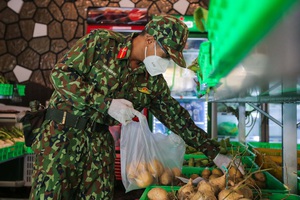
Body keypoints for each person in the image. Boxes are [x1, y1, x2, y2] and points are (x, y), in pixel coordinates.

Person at [30, 15, 220, 199]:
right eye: (166, 54)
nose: (166, 62)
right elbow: (61, 74)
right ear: (150, 39)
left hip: (99, 141)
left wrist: (215, 152)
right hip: (62, 135)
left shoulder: (151, 81)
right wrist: (105, 104)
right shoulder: (103, 43)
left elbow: (178, 118)